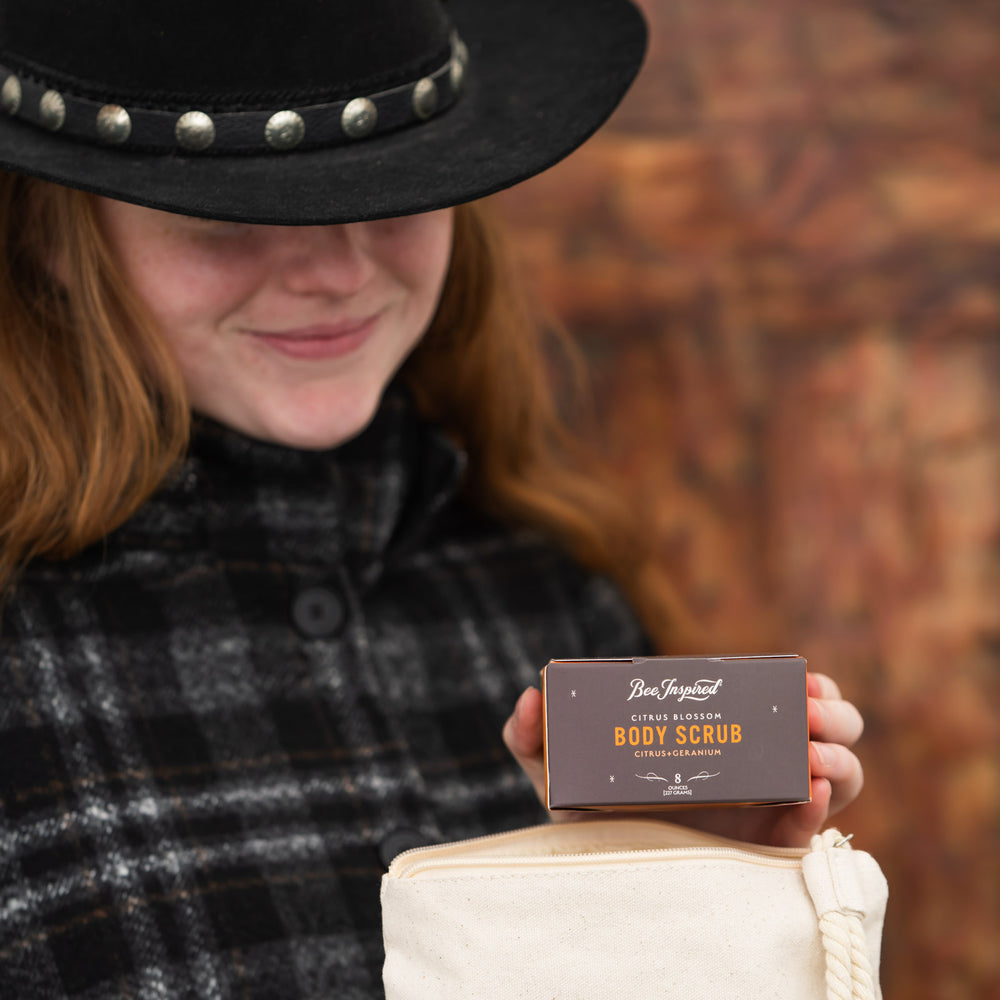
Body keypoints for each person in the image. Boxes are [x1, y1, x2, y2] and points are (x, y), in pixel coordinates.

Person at [0, 1, 865, 997]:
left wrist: (698, 883)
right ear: (47, 236)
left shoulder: (554, 592)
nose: (333, 273)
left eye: (392, 195)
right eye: (229, 221)